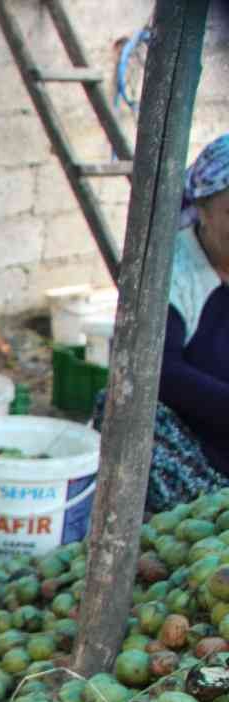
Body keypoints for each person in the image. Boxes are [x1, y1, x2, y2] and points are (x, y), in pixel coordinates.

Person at [95, 134, 229, 513]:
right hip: (193, 444)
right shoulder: (168, 270)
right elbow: (157, 368)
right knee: (122, 407)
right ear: (203, 208)